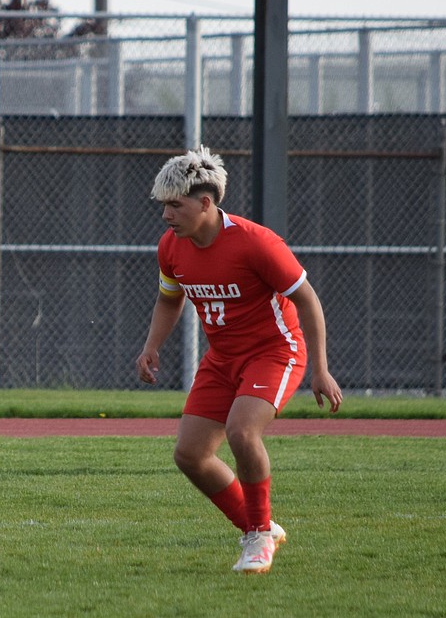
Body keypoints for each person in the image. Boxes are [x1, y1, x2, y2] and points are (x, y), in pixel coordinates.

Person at [135, 146, 343, 574]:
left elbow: (307, 300)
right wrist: (151, 346)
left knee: (241, 432)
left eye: (175, 205)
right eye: (164, 206)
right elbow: (168, 299)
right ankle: (259, 525)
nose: (166, 216)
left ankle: (257, 537)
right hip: (223, 358)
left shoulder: (256, 243)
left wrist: (320, 369)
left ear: (205, 203)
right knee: (190, 454)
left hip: (275, 351)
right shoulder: (171, 247)